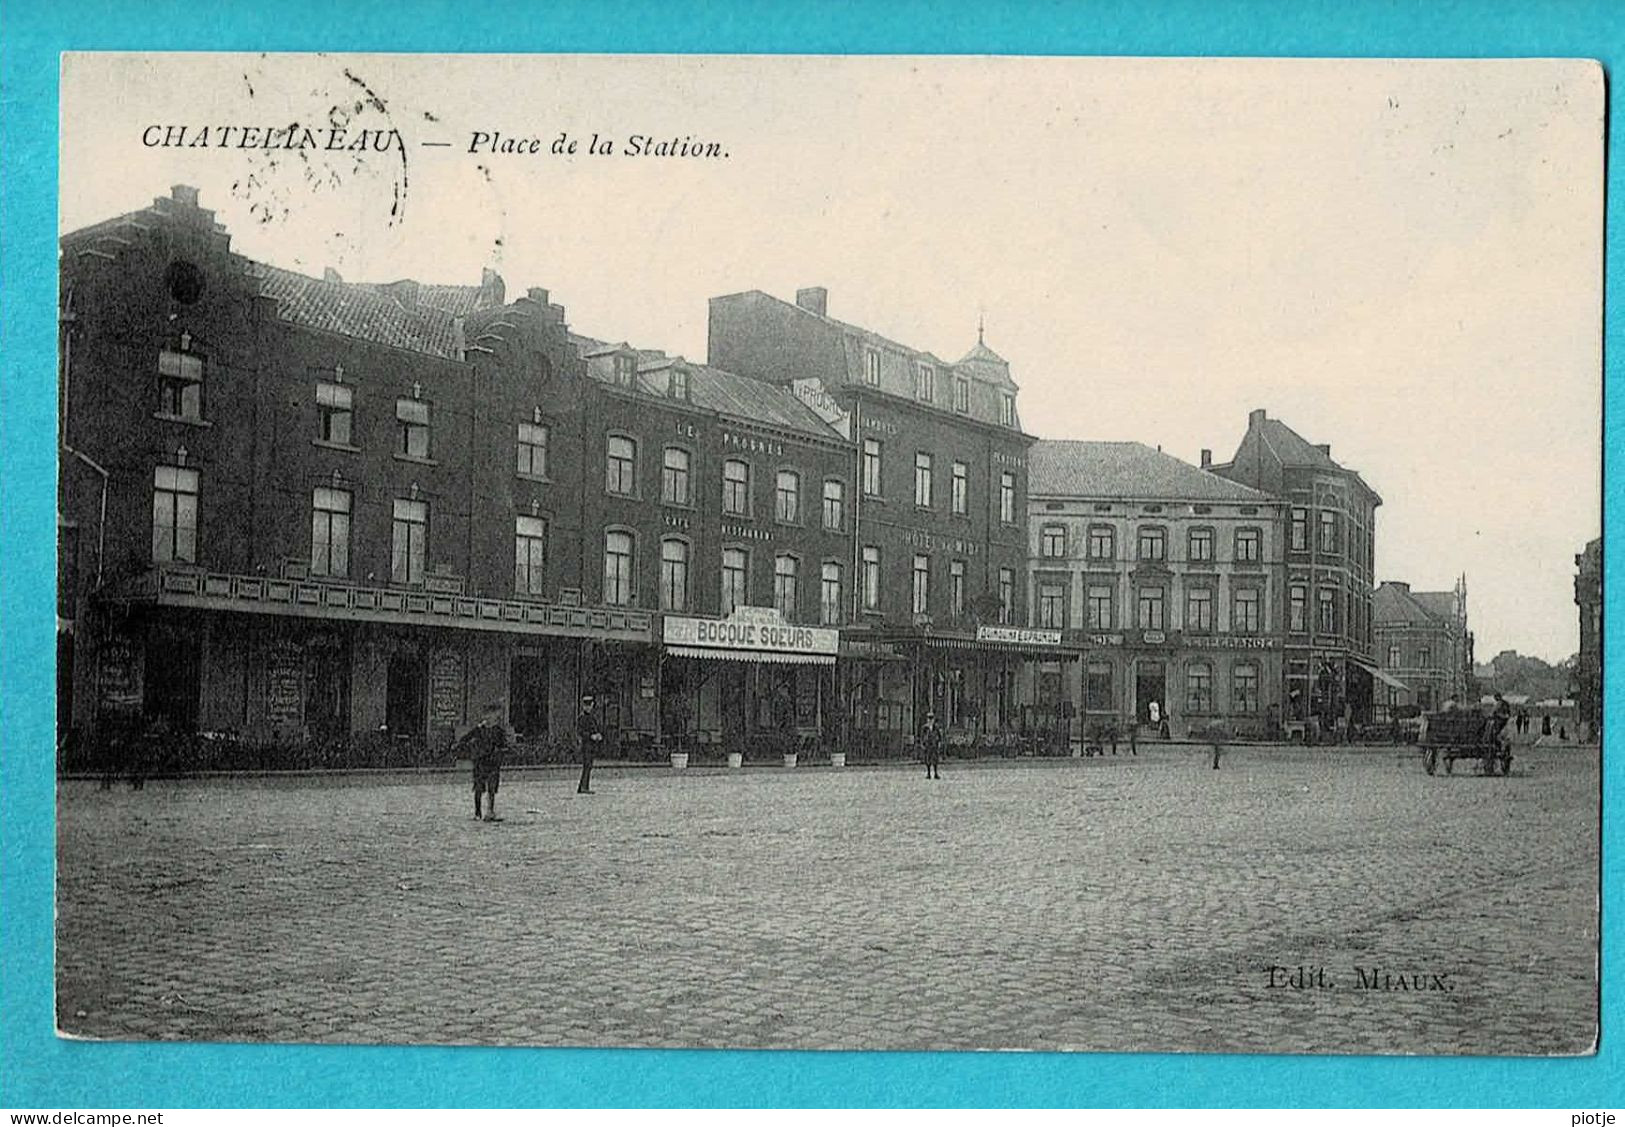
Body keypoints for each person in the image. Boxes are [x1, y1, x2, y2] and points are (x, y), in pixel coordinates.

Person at [457, 703, 508, 821]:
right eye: (488, 715)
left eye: (493, 715)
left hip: (493, 762)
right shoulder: (479, 730)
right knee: (479, 788)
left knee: (492, 788)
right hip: (480, 761)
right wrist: (472, 749)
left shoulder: (498, 731)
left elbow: (504, 745)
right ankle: (477, 812)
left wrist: (500, 752)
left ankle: (490, 811)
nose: (490, 718)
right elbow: (464, 740)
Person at [575, 694, 602, 794]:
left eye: (590, 705)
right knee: (587, 765)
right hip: (586, 744)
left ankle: (584, 786)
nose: (588, 707)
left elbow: (595, 728)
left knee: (589, 766)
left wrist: (598, 734)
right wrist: (591, 736)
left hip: (591, 745)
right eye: (587, 705)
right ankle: (583, 787)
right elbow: (581, 732)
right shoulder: (582, 718)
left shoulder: (591, 717)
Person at [920, 712, 943, 780]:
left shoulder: (936, 727)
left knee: (935, 759)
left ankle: (936, 773)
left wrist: (939, 743)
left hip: (934, 745)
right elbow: (922, 736)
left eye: (931, 718)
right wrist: (922, 744)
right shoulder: (924, 728)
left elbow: (939, 736)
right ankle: (928, 773)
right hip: (928, 745)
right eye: (929, 719)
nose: (930, 720)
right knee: (928, 760)